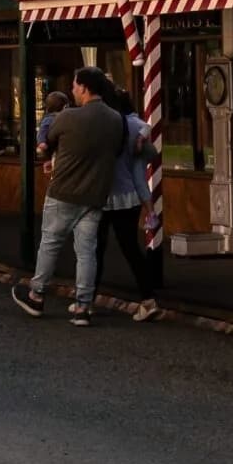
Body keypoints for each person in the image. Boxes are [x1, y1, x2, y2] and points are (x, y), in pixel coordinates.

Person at [12, 66, 124, 327]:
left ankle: (37, 294)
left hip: (64, 191)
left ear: (84, 88)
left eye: (74, 86)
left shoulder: (67, 117)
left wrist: (53, 159)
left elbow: (47, 143)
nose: (72, 91)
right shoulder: (115, 119)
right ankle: (83, 307)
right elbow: (114, 153)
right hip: (95, 194)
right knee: (87, 252)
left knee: (50, 242)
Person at [98, 79, 164, 323]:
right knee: (130, 249)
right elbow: (145, 129)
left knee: (94, 248)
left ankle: (86, 300)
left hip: (104, 194)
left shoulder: (104, 124)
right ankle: (148, 298)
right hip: (129, 197)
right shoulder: (130, 125)